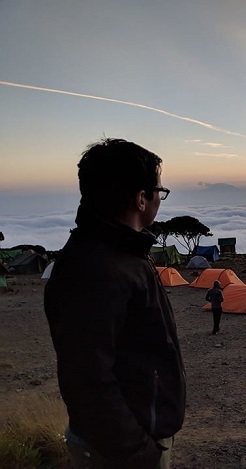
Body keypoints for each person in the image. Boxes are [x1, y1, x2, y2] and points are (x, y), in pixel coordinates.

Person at [44, 138, 185, 468]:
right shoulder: (99, 267)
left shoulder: (119, 255)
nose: (160, 200)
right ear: (141, 199)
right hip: (120, 453)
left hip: (126, 441)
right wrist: (138, 452)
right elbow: (88, 380)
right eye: (159, 192)